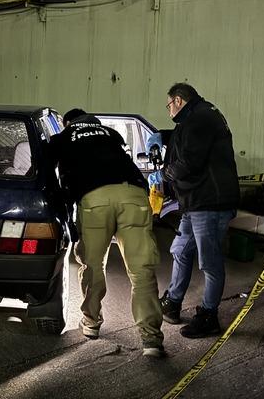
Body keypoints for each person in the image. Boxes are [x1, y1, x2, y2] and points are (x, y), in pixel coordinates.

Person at [49, 108, 165, 357]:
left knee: (92, 264)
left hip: (95, 198)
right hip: (133, 195)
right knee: (141, 269)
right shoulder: (111, 133)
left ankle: (91, 323)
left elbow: (54, 174)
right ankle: (151, 340)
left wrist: (64, 212)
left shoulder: (63, 137)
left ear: (67, 123)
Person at [158, 83, 239, 339]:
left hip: (210, 203)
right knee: (180, 250)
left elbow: (190, 161)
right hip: (196, 202)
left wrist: (163, 175)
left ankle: (208, 316)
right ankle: (173, 302)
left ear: (179, 100)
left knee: (210, 262)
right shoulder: (198, 117)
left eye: (168, 104)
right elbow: (184, 144)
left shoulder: (200, 118)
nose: (168, 110)